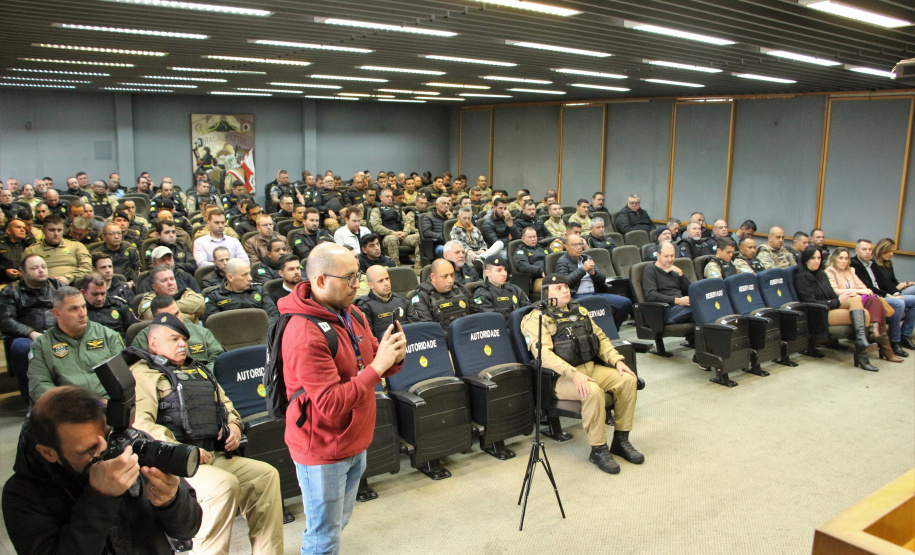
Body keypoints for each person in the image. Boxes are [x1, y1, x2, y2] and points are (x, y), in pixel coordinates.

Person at [278, 242, 406, 553]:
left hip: (354, 439)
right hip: (322, 449)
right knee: (323, 536)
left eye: (358, 276)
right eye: (348, 278)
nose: (357, 285)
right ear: (320, 281)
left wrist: (394, 356)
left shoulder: (353, 313)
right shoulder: (303, 333)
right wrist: (378, 366)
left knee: (337, 523)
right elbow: (330, 404)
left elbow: (374, 360)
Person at [130, 313, 284, 554]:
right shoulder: (142, 374)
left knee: (265, 476)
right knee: (224, 485)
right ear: (154, 344)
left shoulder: (198, 371)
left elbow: (226, 405)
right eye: (174, 339)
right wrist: (183, 451)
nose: (182, 344)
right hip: (175, 465)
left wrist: (233, 425)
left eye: (184, 339)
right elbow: (141, 425)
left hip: (214, 455)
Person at [2, 385, 202, 554]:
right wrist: (100, 497)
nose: (106, 452)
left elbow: (188, 529)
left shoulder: (131, 445)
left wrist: (172, 501)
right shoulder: (22, 494)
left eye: (108, 438)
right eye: (89, 450)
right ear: (48, 453)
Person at [520, 273, 642, 474]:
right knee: (592, 391)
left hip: (590, 368)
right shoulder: (535, 318)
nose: (565, 290)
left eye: (566, 286)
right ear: (545, 293)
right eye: (558, 287)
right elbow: (544, 356)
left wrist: (617, 360)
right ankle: (598, 449)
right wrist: (573, 374)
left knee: (627, 380)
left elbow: (601, 338)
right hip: (561, 379)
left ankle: (621, 440)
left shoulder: (580, 310)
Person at [27, 286, 126, 401]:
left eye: (83, 307)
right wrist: (69, 403)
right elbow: (39, 386)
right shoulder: (42, 345)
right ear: (57, 313)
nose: (82, 313)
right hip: (68, 409)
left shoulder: (108, 336)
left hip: (109, 404)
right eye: (74, 309)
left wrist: (109, 403)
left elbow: (123, 377)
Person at [796, 246, 877, 371]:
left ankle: (861, 347)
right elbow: (811, 302)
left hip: (830, 307)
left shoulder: (821, 274)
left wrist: (842, 297)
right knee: (864, 313)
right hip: (819, 313)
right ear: (806, 260)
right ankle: (861, 352)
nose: (817, 261)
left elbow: (832, 294)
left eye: (819, 258)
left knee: (858, 304)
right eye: (813, 258)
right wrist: (837, 301)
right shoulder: (802, 277)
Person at [0, 255, 65, 399]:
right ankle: (31, 396)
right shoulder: (10, 291)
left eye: (43, 267)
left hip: (59, 331)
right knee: (21, 348)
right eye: (34, 268)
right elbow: (5, 320)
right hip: (26, 336)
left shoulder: (59, 286)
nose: (41, 270)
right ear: (23, 272)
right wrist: (31, 333)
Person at [824, 247, 899, 362]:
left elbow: (862, 286)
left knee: (875, 300)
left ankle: (875, 331)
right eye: (841, 258)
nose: (844, 261)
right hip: (842, 301)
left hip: (856, 298)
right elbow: (835, 291)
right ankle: (885, 348)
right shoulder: (830, 271)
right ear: (834, 259)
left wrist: (861, 291)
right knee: (874, 301)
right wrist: (857, 292)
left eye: (846, 258)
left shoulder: (851, 270)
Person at [555, 235, 632, 330]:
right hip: (577, 296)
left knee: (625, 303)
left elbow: (602, 279)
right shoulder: (562, 261)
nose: (579, 247)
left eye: (580, 244)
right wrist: (583, 270)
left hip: (595, 293)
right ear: (566, 246)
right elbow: (565, 283)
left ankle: (611, 330)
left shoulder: (587, 258)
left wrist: (593, 273)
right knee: (595, 304)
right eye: (575, 245)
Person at [131, 294, 225, 369]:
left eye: (177, 313)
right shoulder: (144, 338)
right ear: (155, 320)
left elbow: (219, 358)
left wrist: (203, 376)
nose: (176, 320)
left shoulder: (200, 332)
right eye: (169, 317)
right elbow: (139, 369)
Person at [850, 239, 911, 354]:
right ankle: (894, 341)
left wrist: (896, 293)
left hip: (882, 294)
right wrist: (888, 296)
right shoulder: (854, 264)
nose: (868, 252)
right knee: (899, 304)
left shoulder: (872, 263)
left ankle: (905, 335)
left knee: (911, 301)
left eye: (869, 249)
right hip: (872, 297)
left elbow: (885, 282)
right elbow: (867, 286)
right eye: (864, 249)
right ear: (856, 250)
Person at [870, 238, 915, 352]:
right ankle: (898, 337)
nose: (891, 254)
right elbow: (883, 286)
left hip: (894, 291)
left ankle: (905, 334)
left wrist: (907, 284)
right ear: (882, 250)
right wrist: (896, 291)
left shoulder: (888, 263)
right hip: (886, 294)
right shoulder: (873, 265)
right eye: (889, 251)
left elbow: (894, 282)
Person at [411, 258, 479, 331]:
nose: (450, 280)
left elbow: (477, 315)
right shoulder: (421, 296)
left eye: (452, 275)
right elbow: (427, 328)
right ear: (433, 277)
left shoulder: (461, 289)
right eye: (445, 276)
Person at [203, 258, 279, 324]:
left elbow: (272, 315)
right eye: (244, 275)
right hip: (229, 337)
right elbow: (213, 323)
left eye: (249, 273)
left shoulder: (259, 290)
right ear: (230, 277)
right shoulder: (214, 296)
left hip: (261, 335)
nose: (250, 278)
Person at [355, 265, 419, 340]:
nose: (386, 283)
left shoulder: (403, 301)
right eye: (380, 281)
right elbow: (368, 338)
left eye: (387, 279)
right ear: (371, 285)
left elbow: (416, 328)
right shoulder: (364, 306)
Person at [23, 215, 92, 285]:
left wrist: (69, 278)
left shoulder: (76, 245)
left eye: (59, 230)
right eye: (52, 230)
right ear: (43, 230)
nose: (56, 234)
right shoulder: (32, 251)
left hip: (74, 284)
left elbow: (87, 267)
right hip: (45, 286)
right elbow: (25, 274)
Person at [642, 241, 693, 325]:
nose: (670, 259)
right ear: (658, 255)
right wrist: (676, 300)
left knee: (702, 316)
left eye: (672, 256)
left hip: (682, 308)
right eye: (666, 256)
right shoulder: (650, 269)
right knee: (699, 309)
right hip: (666, 310)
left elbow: (690, 291)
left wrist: (681, 274)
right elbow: (651, 295)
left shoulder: (675, 270)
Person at [369, 188, 420, 268]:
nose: (390, 198)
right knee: (392, 239)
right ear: (381, 197)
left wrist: (405, 232)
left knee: (419, 237)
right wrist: (392, 233)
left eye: (391, 197)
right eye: (387, 196)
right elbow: (376, 226)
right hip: (386, 237)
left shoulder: (397, 207)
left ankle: (418, 267)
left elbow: (407, 221)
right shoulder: (376, 209)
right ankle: (395, 267)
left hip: (402, 236)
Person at [137, 266, 205, 324]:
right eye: (164, 280)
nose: (170, 283)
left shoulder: (185, 292)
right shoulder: (149, 298)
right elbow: (151, 316)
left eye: (172, 279)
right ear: (155, 287)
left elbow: (201, 304)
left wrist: (165, 310)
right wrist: (190, 316)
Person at [471, 255, 530, 321]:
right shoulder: (482, 293)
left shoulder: (514, 288)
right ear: (487, 273)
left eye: (505, 270)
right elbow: (491, 319)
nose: (504, 274)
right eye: (499, 270)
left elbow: (528, 309)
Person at [80, 272, 137, 338]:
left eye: (103, 293)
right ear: (84, 293)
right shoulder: (78, 311)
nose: (99, 298)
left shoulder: (119, 305)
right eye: (95, 294)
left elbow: (134, 331)